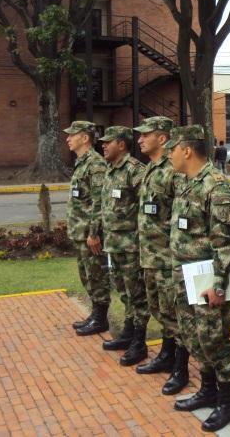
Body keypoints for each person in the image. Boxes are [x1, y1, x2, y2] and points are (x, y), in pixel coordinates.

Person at [167, 125, 230, 432]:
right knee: (192, 335)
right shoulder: (186, 182)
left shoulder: (217, 186)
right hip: (184, 276)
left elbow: (226, 241)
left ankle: (226, 401)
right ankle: (207, 389)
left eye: (172, 149)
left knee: (214, 339)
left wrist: (218, 284)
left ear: (186, 150)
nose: (169, 155)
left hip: (207, 278)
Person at [133, 116, 190, 395]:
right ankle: (167, 355)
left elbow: (181, 217)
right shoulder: (151, 168)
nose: (140, 139)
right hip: (151, 256)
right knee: (160, 310)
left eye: (146, 134)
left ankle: (181, 368)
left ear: (163, 139)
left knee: (175, 314)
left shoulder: (172, 171)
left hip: (168, 259)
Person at [98, 126, 149, 366]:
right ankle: (128, 334)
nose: (104, 145)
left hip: (131, 247)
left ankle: (139, 343)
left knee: (137, 295)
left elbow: (147, 210)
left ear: (122, 144)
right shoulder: (109, 170)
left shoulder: (134, 171)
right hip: (114, 245)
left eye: (108, 141)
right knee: (124, 292)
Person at [64, 121, 111, 335]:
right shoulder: (82, 163)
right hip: (79, 231)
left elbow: (99, 202)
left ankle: (101, 319)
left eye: (72, 135)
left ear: (85, 138)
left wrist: (94, 233)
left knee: (96, 275)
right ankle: (95, 314)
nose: (68, 138)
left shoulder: (95, 165)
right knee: (87, 275)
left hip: (89, 234)